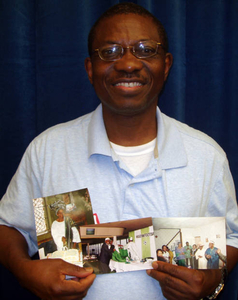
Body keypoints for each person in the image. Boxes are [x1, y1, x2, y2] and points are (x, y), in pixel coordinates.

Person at [0, 2, 238, 300]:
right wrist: (25, 270)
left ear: (166, 65)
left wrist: (213, 279)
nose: (128, 64)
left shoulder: (207, 156)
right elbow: (8, 226)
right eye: (110, 52)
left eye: (145, 49)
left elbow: (231, 236)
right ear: (90, 69)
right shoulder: (48, 150)